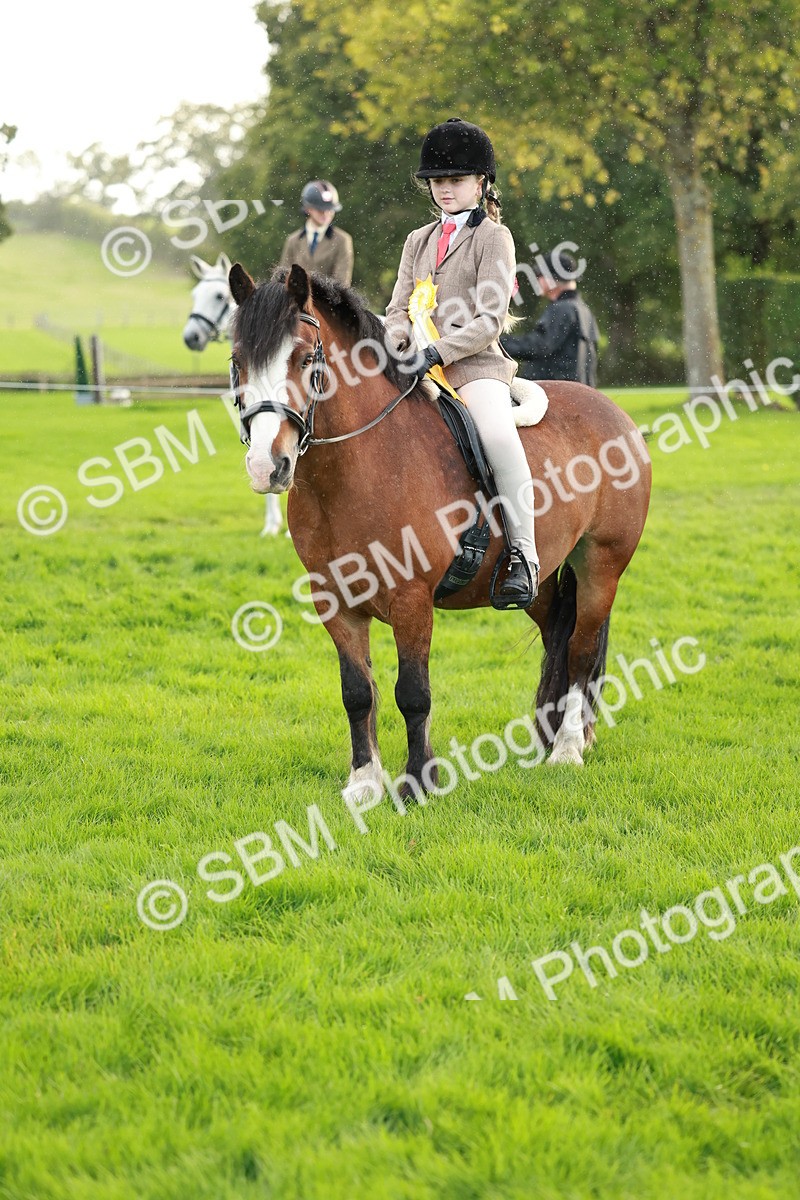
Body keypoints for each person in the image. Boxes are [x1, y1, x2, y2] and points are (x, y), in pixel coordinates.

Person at [385, 118, 538, 602]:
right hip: (415, 366)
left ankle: (524, 553)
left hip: (473, 365)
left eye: (454, 180)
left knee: (495, 433)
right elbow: (396, 309)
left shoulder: (495, 238)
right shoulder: (417, 240)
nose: (444, 189)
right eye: (437, 181)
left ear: (480, 183)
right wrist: (396, 345)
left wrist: (436, 351)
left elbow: (490, 319)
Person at [502, 251, 599, 386]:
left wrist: (498, 343)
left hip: (555, 394)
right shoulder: (584, 310)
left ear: (551, 278)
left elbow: (539, 346)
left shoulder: (562, 309)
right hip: (576, 393)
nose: (537, 280)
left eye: (539, 275)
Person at [278, 180, 354, 285]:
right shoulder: (293, 240)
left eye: (330, 209)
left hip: (327, 300)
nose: (326, 214)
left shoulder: (342, 240)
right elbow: (282, 280)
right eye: (320, 210)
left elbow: (341, 283)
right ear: (308, 209)